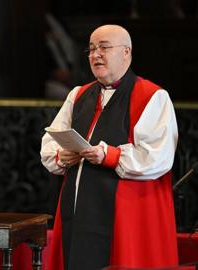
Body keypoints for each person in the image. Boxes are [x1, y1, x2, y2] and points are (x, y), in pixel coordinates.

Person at [40, 25, 178, 269]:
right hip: (77, 208)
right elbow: (51, 141)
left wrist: (109, 155)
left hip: (125, 214)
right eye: (91, 49)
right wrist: (63, 156)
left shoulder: (152, 96)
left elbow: (157, 156)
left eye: (104, 47)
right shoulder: (78, 94)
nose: (95, 55)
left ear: (126, 52)